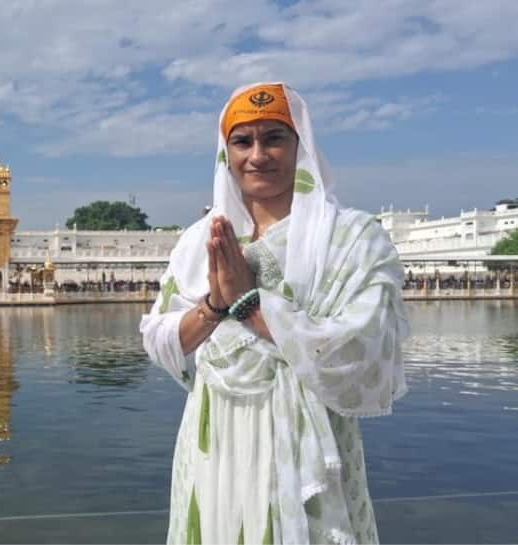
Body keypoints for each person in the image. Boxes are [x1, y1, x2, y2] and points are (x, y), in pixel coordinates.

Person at [139, 83, 408, 544]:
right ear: (226, 153)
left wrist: (251, 303)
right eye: (243, 141)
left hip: (304, 445)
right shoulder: (200, 239)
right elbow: (162, 339)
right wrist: (215, 305)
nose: (258, 155)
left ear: (300, 146)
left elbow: (364, 346)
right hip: (217, 437)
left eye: (274, 138)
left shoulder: (348, 239)